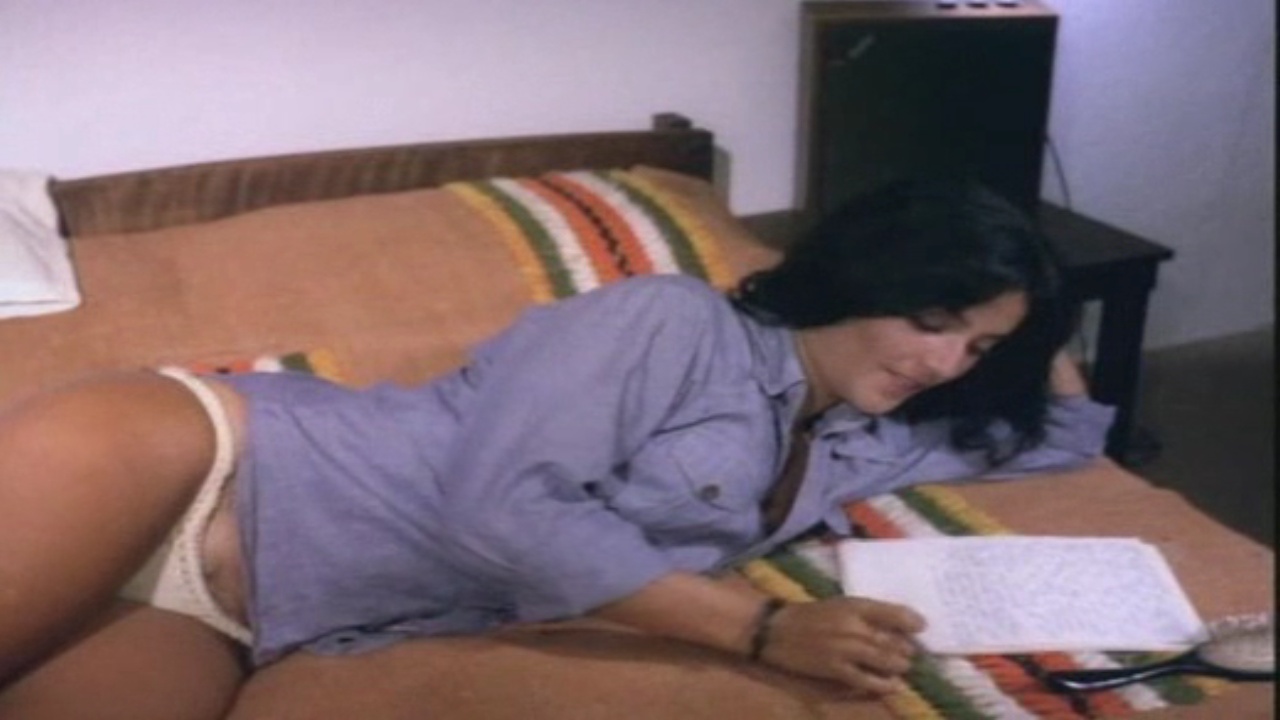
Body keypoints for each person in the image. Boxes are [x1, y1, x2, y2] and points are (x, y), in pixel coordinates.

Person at [0, 178, 1112, 715]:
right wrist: (762, 628)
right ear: (865, 279)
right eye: (931, 319)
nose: (943, 363)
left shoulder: (866, 441)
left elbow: (1066, 434)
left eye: (975, 349)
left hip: (252, 619)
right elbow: (500, 509)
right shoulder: (675, 322)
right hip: (199, 468)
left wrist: (1030, 319)